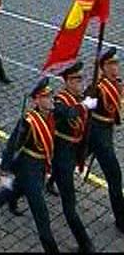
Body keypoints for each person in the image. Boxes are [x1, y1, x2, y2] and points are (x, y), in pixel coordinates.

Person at [0, 77, 59, 254]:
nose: (51, 98)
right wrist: (4, 171)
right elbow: (11, 147)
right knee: (41, 214)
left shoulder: (49, 115)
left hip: (38, 167)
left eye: (51, 95)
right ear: (36, 100)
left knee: (9, 192)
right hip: (28, 171)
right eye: (46, 96)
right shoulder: (28, 123)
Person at [50, 61, 97, 252]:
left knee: (27, 185)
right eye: (76, 79)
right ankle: (85, 244)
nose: (80, 82)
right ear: (66, 82)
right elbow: (67, 113)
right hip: (60, 153)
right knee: (70, 205)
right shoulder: (60, 100)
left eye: (81, 78)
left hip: (72, 152)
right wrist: (84, 106)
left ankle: (44, 183)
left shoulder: (79, 96)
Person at [86, 48, 124, 232]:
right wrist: (88, 102)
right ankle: (121, 219)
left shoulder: (115, 83)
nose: (116, 66)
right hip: (97, 133)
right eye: (111, 63)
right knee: (115, 176)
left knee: (66, 165)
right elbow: (83, 106)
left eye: (116, 62)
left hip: (106, 130)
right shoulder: (98, 87)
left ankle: (53, 179)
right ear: (102, 68)